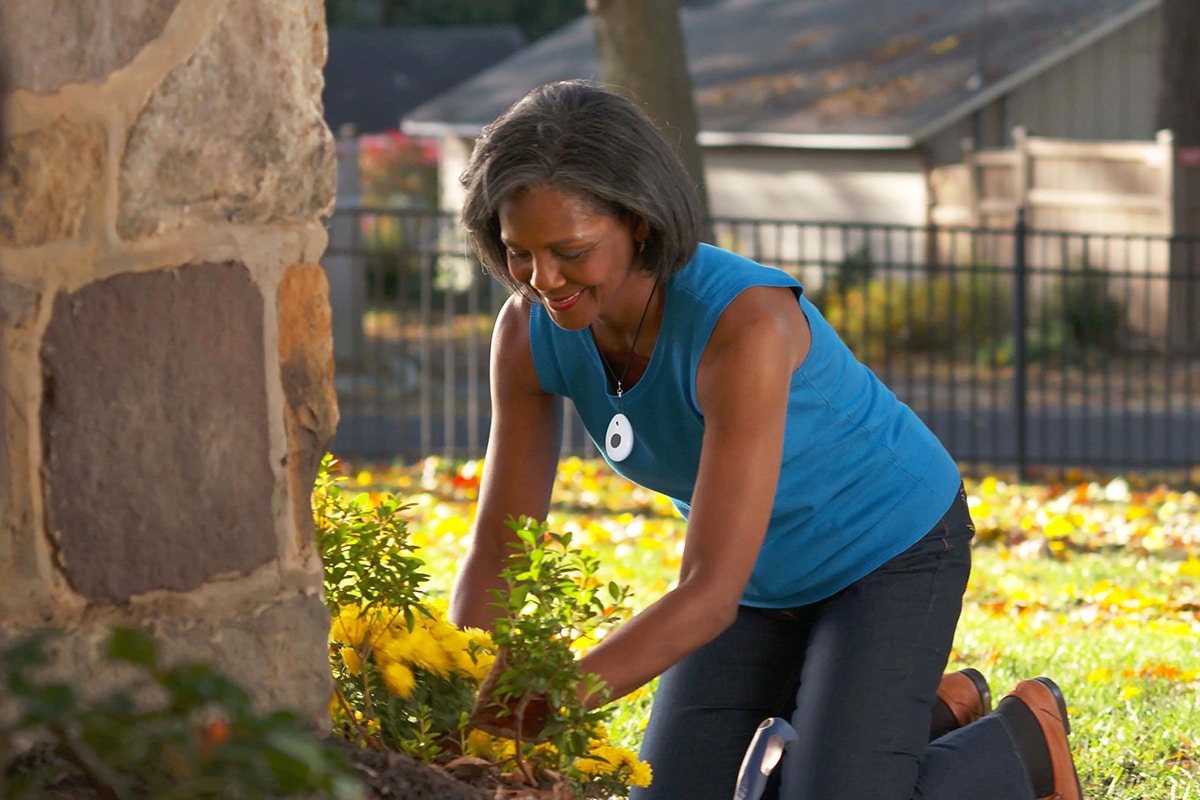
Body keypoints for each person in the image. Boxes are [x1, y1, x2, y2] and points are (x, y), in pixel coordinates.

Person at [449, 79, 1083, 800]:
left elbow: (708, 593)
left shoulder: (743, 324)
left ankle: (1024, 738)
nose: (543, 279)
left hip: (887, 550)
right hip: (757, 576)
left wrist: (552, 699)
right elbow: (500, 545)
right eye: (519, 254)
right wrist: (456, 688)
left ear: (641, 224)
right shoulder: (528, 334)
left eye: (570, 251)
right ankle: (920, 714)